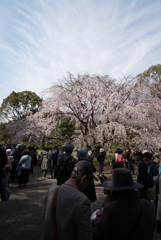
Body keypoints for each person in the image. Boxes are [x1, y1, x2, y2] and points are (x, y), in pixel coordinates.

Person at [92, 168, 156, 240]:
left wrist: (97, 218)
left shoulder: (111, 209)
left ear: (115, 191)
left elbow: (98, 235)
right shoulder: (148, 205)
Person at [42, 160, 94, 240]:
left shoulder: (52, 190)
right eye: (90, 181)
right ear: (84, 179)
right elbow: (85, 236)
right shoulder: (82, 201)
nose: (89, 184)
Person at [77, 148, 97, 214]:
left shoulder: (76, 163)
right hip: (88, 184)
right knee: (88, 202)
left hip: (78, 184)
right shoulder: (89, 163)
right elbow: (94, 170)